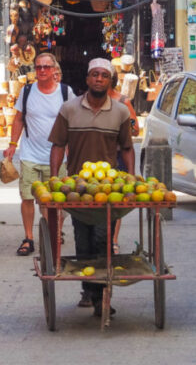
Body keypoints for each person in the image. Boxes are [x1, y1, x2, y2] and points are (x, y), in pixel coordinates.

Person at [48, 58, 134, 317]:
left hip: (107, 188)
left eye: (104, 76)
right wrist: (55, 179)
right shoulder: (69, 109)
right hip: (77, 188)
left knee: (102, 239)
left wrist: (130, 179)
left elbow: (127, 148)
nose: (98, 79)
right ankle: (90, 290)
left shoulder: (120, 111)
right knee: (83, 242)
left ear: (110, 81)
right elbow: (58, 146)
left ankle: (101, 296)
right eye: (94, 75)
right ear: (87, 79)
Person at [3, 53, 73, 256]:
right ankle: (28, 237)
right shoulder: (26, 92)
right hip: (30, 155)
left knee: (56, 198)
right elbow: (18, 119)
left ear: (54, 70)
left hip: (58, 156)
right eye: (38, 67)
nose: (42, 70)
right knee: (27, 197)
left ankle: (55, 232)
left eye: (46, 67)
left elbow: (74, 121)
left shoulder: (65, 92)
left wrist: (72, 148)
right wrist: (13, 144)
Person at [109, 73, 140, 254]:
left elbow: (135, 129)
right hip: (97, 157)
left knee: (117, 200)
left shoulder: (123, 101)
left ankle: (113, 239)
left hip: (118, 156)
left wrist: (124, 126)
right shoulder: (90, 102)